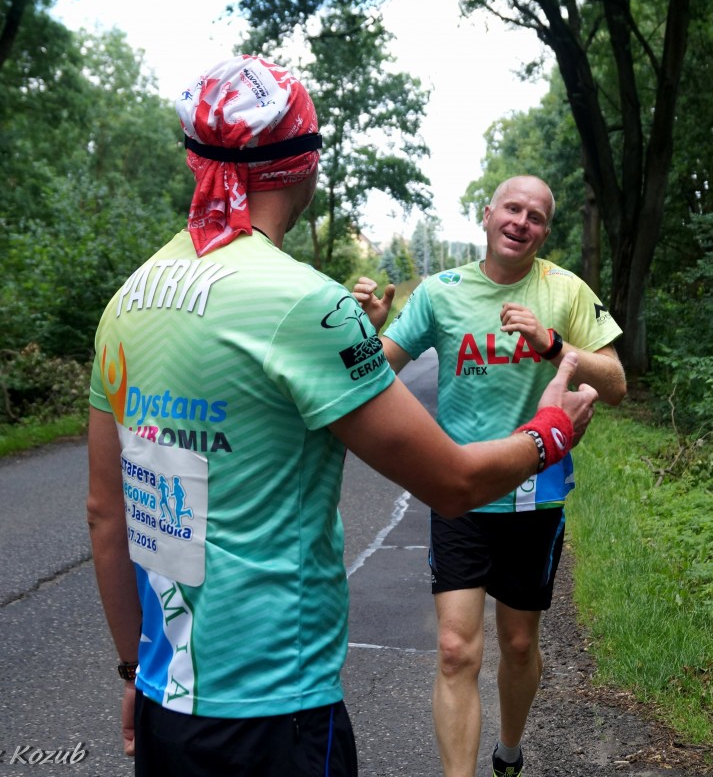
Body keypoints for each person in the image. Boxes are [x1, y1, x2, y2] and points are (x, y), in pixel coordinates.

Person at [85, 56, 599, 777]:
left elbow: (106, 513)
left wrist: (133, 671)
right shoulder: (305, 301)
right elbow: (452, 483)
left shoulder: (129, 298)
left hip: (164, 701)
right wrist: (552, 432)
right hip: (277, 710)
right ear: (303, 166)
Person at [352, 175, 627, 777]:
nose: (521, 222)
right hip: (461, 490)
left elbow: (616, 384)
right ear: (487, 214)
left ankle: (508, 754)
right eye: (512, 208)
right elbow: (374, 374)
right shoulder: (440, 292)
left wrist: (553, 346)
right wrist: (367, 330)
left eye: (536, 215)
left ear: (545, 231)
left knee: (520, 645)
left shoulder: (565, 289)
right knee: (456, 651)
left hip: (535, 495)